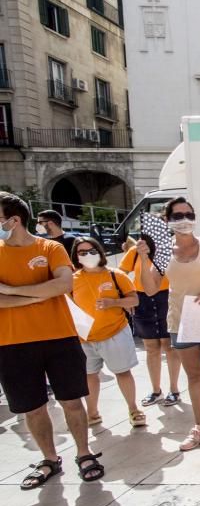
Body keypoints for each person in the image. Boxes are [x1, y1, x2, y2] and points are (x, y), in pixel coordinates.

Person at [0, 192, 104, 488]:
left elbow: (63, 284)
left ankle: (84, 454)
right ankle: (49, 459)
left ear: (13, 220)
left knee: (72, 401)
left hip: (60, 339)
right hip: (11, 343)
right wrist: (37, 294)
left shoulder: (51, 247)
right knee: (33, 408)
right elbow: (49, 289)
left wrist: (9, 291)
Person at [136, 197, 200, 453]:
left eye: (188, 214)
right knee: (194, 376)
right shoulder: (161, 251)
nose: (184, 220)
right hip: (181, 320)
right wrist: (144, 258)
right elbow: (149, 289)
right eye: (178, 215)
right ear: (168, 220)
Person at [69, 237, 146, 429]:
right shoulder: (71, 280)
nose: (88, 255)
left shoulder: (116, 275)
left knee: (122, 372)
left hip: (114, 333)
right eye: (82, 252)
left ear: (100, 251)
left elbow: (134, 300)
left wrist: (114, 303)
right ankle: (92, 413)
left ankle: (134, 409)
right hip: (84, 338)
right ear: (76, 257)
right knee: (89, 375)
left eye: (91, 250)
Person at [120, 237, 182, 407]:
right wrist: (127, 296)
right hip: (143, 300)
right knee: (151, 348)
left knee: (169, 346)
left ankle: (174, 390)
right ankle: (156, 391)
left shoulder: (167, 251)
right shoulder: (135, 252)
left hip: (166, 298)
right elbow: (121, 273)